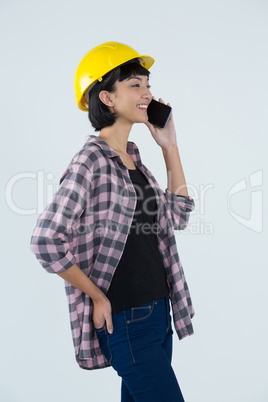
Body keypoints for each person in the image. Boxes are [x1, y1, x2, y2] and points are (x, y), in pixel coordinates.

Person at [30, 41, 196, 402]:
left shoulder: (134, 160)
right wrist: (96, 296)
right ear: (106, 98)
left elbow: (178, 216)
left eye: (147, 85)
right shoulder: (91, 160)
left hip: (157, 315)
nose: (147, 94)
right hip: (127, 317)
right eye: (135, 85)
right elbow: (45, 240)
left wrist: (169, 146)